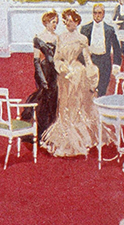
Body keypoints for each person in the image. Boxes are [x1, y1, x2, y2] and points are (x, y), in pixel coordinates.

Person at [41, 9, 101, 158]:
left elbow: (87, 60)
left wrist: (92, 72)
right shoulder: (61, 37)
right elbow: (57, 58)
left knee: (76, 104)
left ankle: (79, 139)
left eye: (72, 20)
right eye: (66, 20)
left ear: (77, 21)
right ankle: (64, 137)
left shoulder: (82, 38)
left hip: (78, 73)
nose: (69, 23)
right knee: (64, 105)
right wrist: (61, 66)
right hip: (64, 75)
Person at [27, 10, 59, 138]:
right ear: (46, 23)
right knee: (43, 101)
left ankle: (51, 135)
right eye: (53, 22)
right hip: (43, 71)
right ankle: (41, 133)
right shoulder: (38, 37)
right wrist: (42, 78)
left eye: (56, 23)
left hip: (55, 71)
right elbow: (36, 60)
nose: (55, 25)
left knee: (54, 101)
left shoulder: (57, 37)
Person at [80, 3, 123, 97]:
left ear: (103, 14)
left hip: (105, 61)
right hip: (91, 61)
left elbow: (116, 48)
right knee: (89, 90)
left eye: (99, 13)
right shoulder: (85, 29)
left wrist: (116, 65)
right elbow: (81, 49)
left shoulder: (109, 29)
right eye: (95, 13)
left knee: (102, 89)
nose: (97, 15)